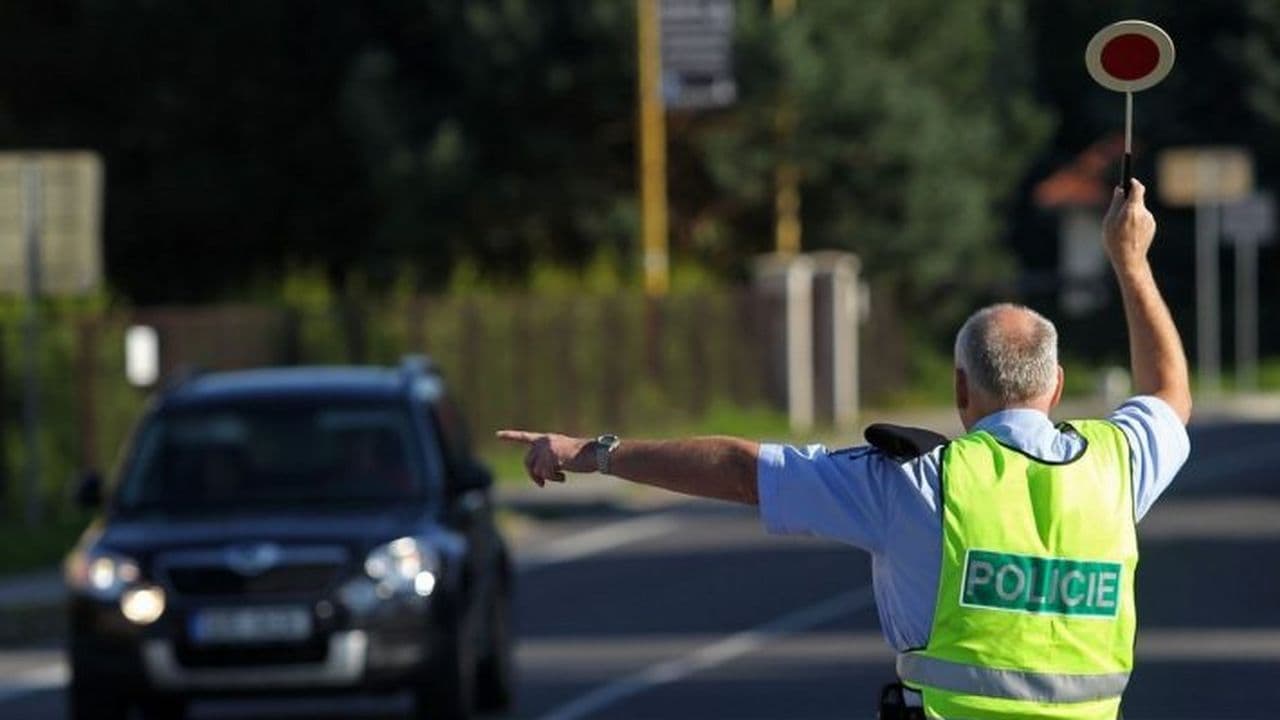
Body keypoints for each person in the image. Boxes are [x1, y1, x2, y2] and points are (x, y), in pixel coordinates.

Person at [498, 179, 1191, 720]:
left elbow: (744, 471)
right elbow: (1168, 394)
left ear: (959, 388)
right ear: (1059, 384)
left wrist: (594, 451)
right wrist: (1130, 261)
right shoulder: (1117, 467)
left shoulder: (920, 482)